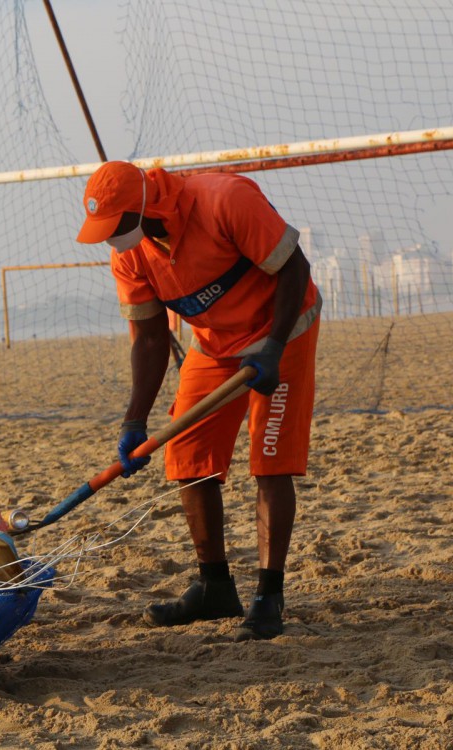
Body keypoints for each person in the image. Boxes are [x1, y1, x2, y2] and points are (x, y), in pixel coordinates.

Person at [75, 161, 321, 641]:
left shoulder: (224, 200)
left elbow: (296, 268)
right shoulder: (130, 255)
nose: (111, 239)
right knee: (188, 456)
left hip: (283, 330)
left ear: (143, 205)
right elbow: (150, 338)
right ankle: (215, 588)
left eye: (116, 226)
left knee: (269, 462)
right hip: (214, 344)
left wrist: (273, 348)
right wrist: (133, 421)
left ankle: (269, 597)